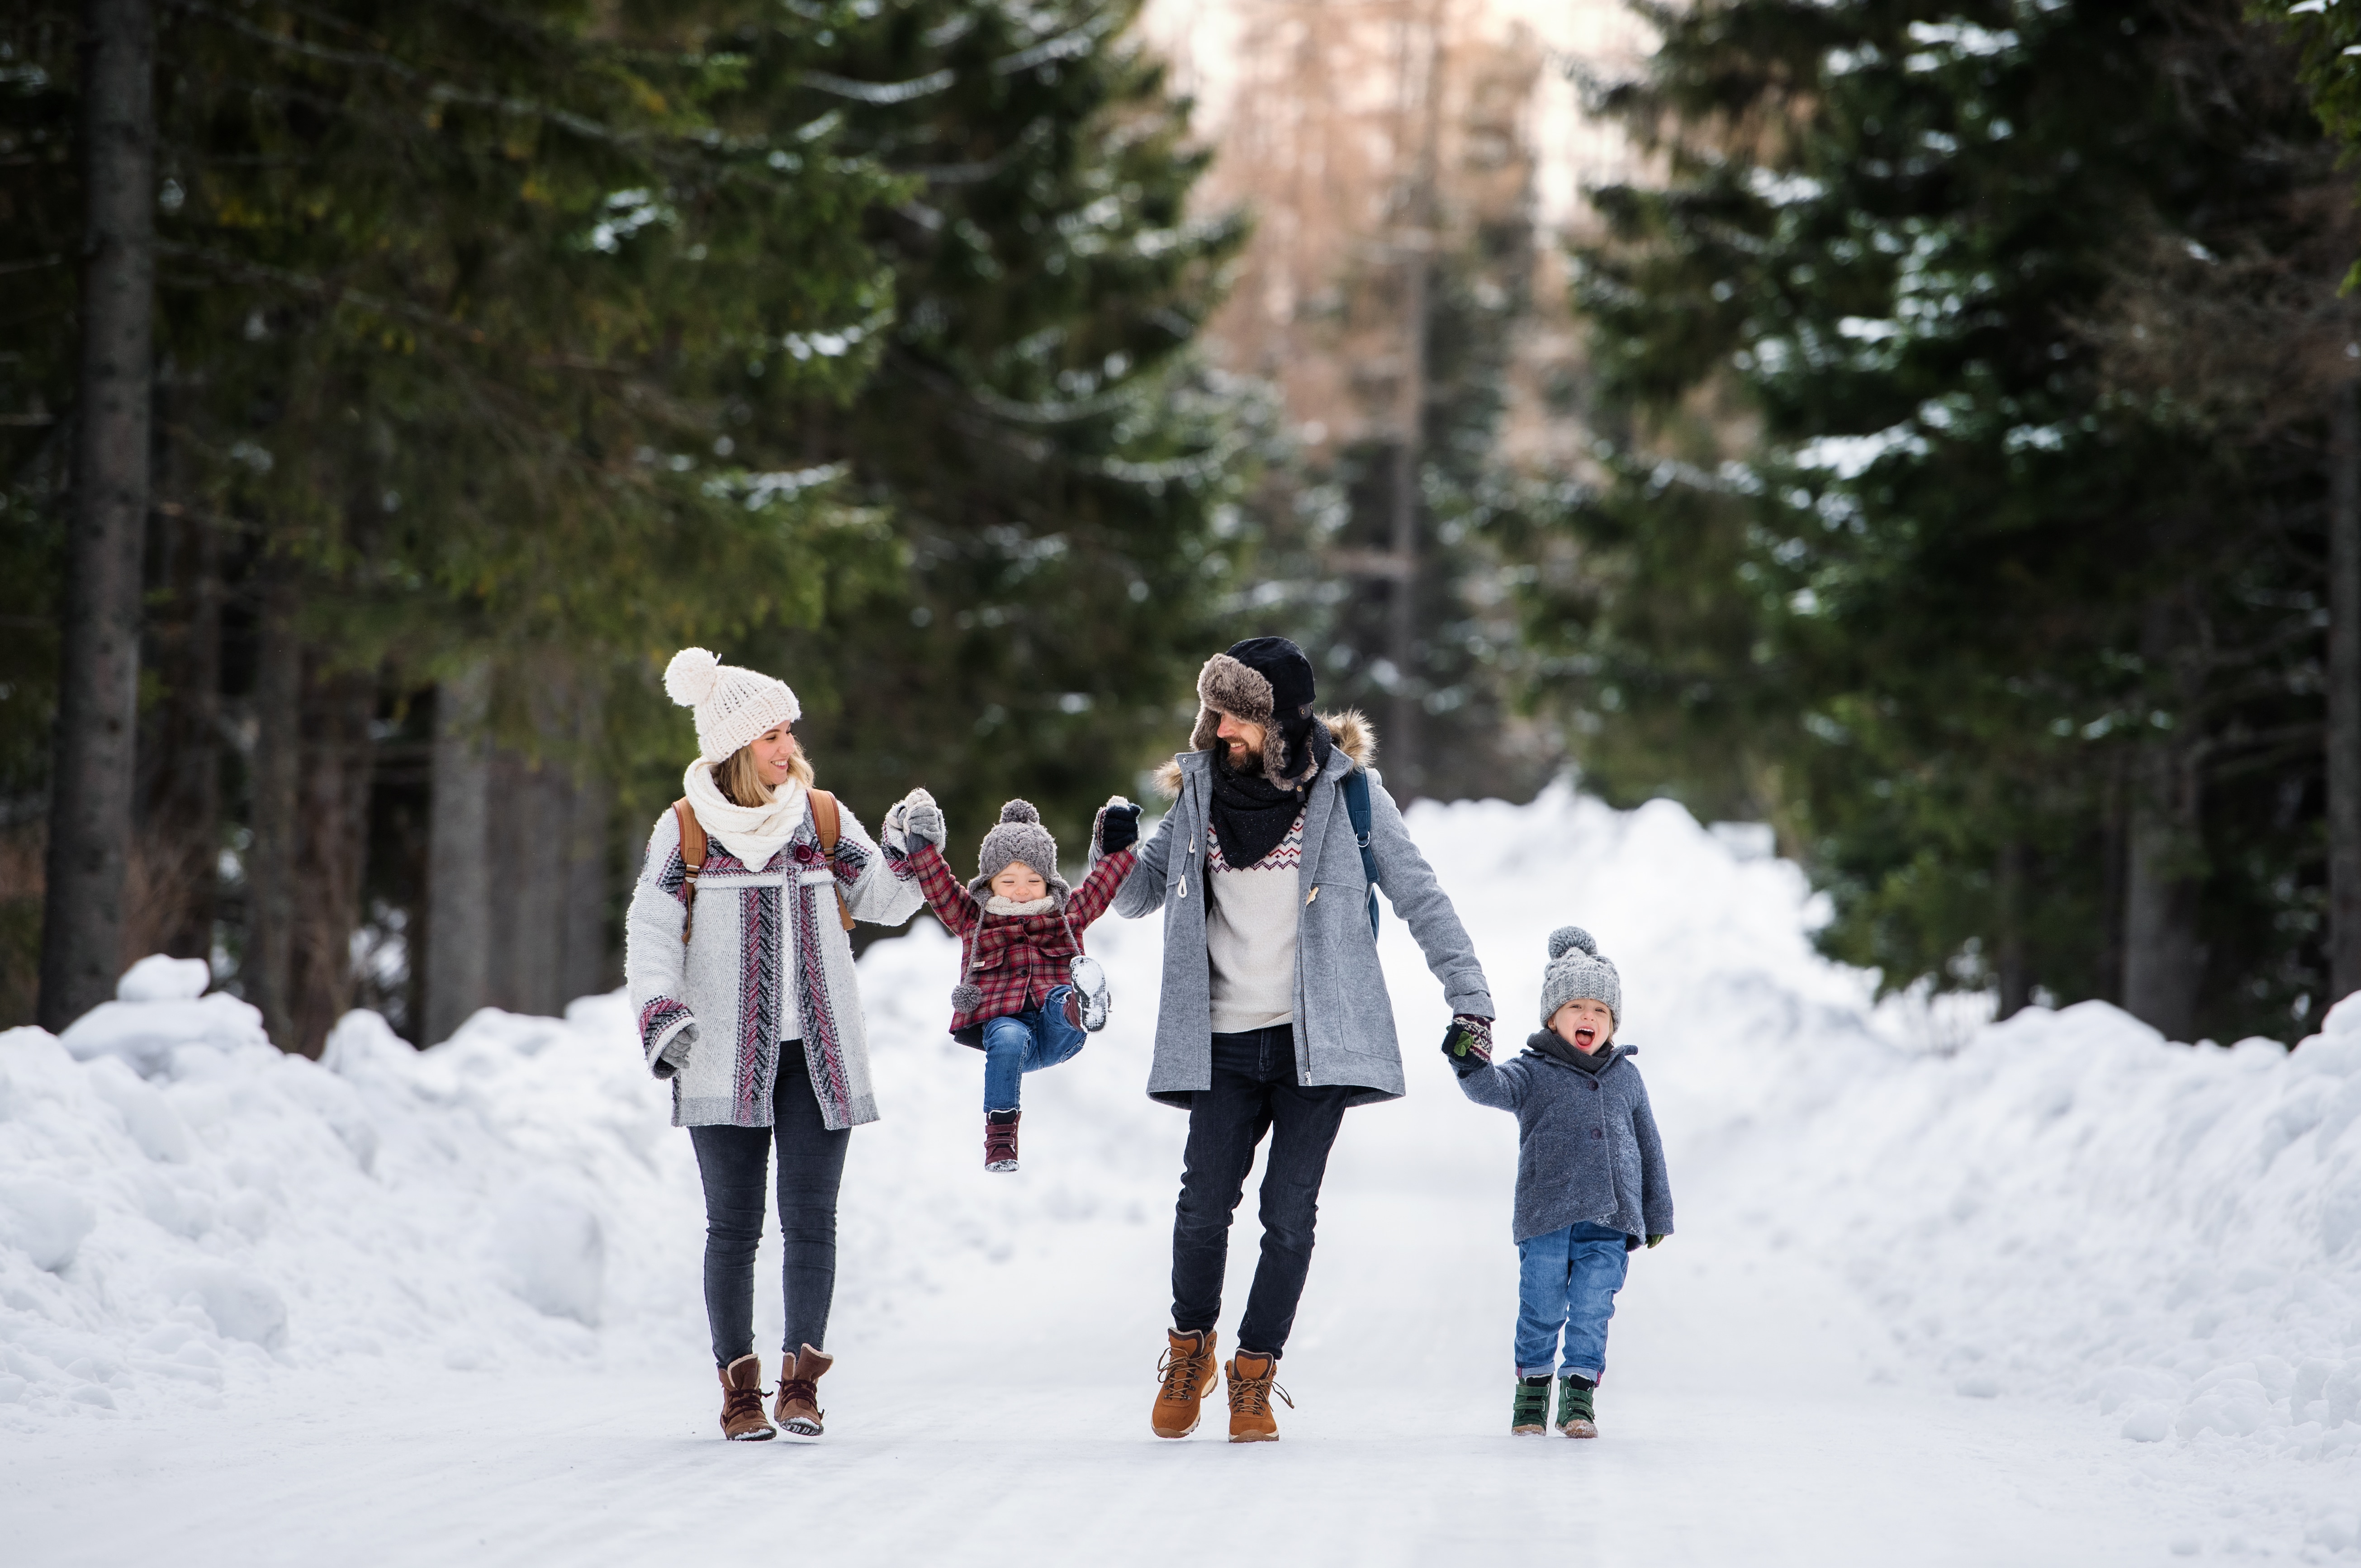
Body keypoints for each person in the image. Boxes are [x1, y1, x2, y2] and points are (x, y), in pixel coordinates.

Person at [1113, 635, 1496, 1442]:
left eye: (1236, 718)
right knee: (1202, 1207)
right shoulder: (1199, 792)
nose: (1219, 732)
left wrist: (1470, 997)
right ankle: (1191, 1349)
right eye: (1214, 714)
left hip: (1313, 1042)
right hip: (1218, 1036)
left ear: (1280, 722)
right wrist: (1111, 849)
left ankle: (1254, 1372)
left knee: (1289, 1215)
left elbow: (1423, 897)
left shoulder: (1352, 796)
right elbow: (1136, 896)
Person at [625, 646, 924, 1441]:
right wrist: (662, 1015)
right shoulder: (685, 829)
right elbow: (651, 932)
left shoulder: (820, 818)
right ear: (733, 745)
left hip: (817, 1057)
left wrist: (912, 845)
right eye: (771, 736)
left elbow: (887, 901)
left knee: (812, 1223)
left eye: (788, 732)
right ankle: (739, 1393)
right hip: (720, 1056)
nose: (786, 747)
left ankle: (801, 1388)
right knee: (732, 1227)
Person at [1442, 925, 1675, 1439]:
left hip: (1611, 1220)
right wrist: (1467, 1060)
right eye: (1576, 1007)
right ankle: (1531, 1393)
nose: (1589, 1016)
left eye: (1601, 1010)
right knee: (1541, 1307)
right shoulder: (1533, 1072)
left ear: (1613, 1022)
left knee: (1594, 1308)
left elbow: (1649, 1145)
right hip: (1546, 1217)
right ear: (1553, 1017)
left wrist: (1657, 1212)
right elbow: (1490, 1088)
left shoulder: (1627, 1077)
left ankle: (1578, 1397)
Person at [892, 792, 1142, 1171]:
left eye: (1033, 879)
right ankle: (1001, 1140)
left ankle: (1082, 1007)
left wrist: (1120, 843)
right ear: (990, 883)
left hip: (1058, 1029)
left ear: (1048, 881)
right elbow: (938, 886)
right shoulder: (973, 918)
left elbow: (1101, 885)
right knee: (1008, 1034)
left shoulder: (1065, 915)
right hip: (1007, 1037)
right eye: (1008, 879)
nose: (1022, 889)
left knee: (1060, 1000)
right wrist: (921, 845)